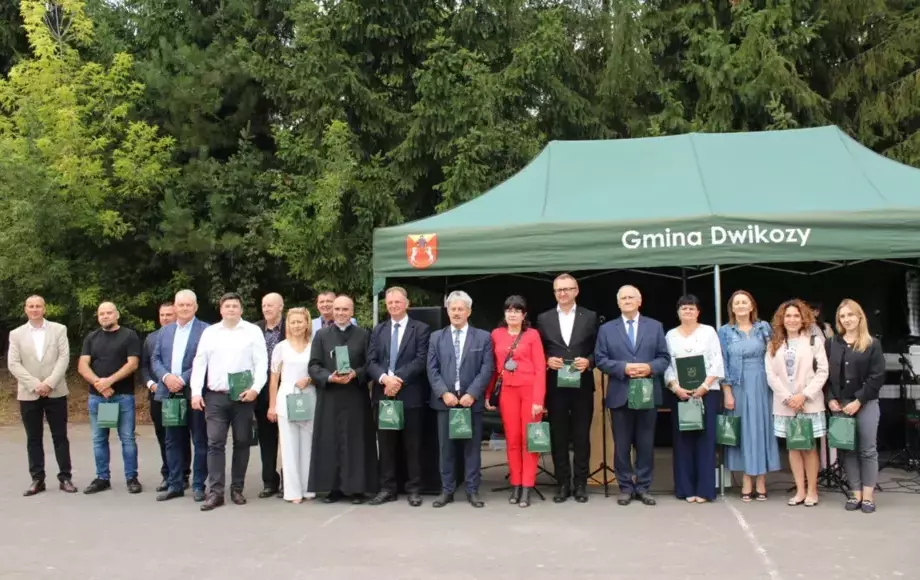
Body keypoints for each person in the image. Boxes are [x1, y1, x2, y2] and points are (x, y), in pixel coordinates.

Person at [190, 292, 268, 511]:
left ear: (241, 310)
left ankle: (237, 488)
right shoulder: (210, 332)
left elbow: (262, 363)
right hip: (215, 396)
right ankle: (215, 492)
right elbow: (200, 362)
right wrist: (196, 392)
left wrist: (255, 389)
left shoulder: (253, 332)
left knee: (242, 441)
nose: (231, 309)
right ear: (221, 309)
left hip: (243, 396)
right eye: (227, 306)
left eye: (235, 306)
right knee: (215, 441)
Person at [594, 285, 670, 507]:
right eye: (623, 298)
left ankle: (644, 487)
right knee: (622, 445)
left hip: (647, 394)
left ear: (639, 301)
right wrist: (624, 368)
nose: (627, 300)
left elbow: (664, 358)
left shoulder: (655, 327)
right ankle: (626, 487)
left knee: (646, 444)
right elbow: (600, 359)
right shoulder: (607, 329)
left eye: (631, 297)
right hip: (620, 394)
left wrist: (648, 367)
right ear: (618, 303)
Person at [427, 290, 494, 508]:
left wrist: (472, 394)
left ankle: (472, 490)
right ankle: (447, 490)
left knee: (472, 449)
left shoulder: (483, 337)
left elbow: (487, 368)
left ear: (469, 311)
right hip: (444, 403)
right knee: (446, 449)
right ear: (447, 311)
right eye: (452, 309)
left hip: (469, 402)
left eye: (460, 309)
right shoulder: (436, 337)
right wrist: (443, 393)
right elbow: (432, 368)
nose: (456, 313)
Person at [308, 295, 378, 503]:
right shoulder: (321, 335)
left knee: (356, 442)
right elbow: (313, 365)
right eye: (337, 309)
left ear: (352, 311)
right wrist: (329, 377)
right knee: (330, 441)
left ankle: (356, 489)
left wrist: (356, 374)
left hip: (355, 396)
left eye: (345, 309)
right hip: (330, 396)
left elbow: (370, 363)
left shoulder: (363, 335)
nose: (340, 313)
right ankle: (331, 489)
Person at [366, 287, 431, 507]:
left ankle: (414, 489)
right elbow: (371, 361)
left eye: (397, 302)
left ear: (407, 303)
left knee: (412, 446)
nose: (393, 306)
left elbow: (421, 360)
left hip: (410, 395)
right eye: (390, 302)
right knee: (386, 446)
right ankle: (388, 488)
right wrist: (385, 379)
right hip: (383, 395)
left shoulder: (421, 329)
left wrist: (397, 379)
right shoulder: (378, 330)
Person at [536, 273, 598, 503]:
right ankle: (563, 483)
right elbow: (537, 349)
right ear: (554, 293)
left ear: (576, 290)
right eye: (558, 290)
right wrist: (546, 360)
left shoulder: (590, 317)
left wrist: (590, 362)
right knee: (558, 435)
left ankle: (580, 484)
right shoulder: (544, 318)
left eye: (567, 289)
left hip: (582, 383)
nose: (563, 293)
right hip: (555, 385)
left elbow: (599, 350)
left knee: (582, 436)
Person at [8, 295, 77, 496]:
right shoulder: (16, 334)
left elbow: (64, 358)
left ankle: (65, 477)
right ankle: (38, 479)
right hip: (29, 393)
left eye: (38, 306)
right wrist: (35, 384)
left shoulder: (59, 329)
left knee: (60, 436)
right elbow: (13, 363)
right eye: (31, 306)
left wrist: (49, 383)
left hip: (55, 391)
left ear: (44, 309)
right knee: (33, 438)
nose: (35, 309)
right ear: (26, 309)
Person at [764, 299, 829, 507]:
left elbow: (823, 372)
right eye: (788, 316)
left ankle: (812, 490)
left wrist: (804, 395)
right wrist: (788, 398)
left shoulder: (814, 341)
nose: (791, 319)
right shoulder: (774, 343)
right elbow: (771, 375)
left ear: (803, 319)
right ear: (782, 319)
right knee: (793, 448)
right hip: (785, 404)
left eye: (796, 316)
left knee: (809, 447)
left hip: (809, 402)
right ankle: (800, 490)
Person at [717, 290, 780, 502]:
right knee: (742, 431)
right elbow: (722, 362)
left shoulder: (764, 328)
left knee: (760, 430)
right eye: (737, 303)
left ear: (752, 306)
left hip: (762, 383)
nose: (741, 306)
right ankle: (746, 478)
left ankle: (761, 478)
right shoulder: (725, 331)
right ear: (732, 308)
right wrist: (727, 391)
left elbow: (774, 356)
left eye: (745, 302)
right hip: (737, 385)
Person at [486, 295, 546, 508]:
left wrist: (539, 399)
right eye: (509, 310)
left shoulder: (532, 335)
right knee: (512, 440)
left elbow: (540, 368)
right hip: (507, 392)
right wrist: (488, 394)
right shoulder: (496, 334)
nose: (512, 313)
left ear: (524, 314)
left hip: (529, 391)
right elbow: (493, 368)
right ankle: (516, 484)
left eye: (517, 310)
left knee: (528, 441)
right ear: (504, 313)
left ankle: (528, 486)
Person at [663, 295, 725, 504]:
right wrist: (675, 387)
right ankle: (685, 489)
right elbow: (667, 364)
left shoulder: (708, 332)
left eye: (691, 308)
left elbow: (717, 360)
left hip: (707, 392)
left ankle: (705, 490)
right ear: (678, 312)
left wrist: (704, 386)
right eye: (683, 308)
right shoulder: (670, 335)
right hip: (680, 394)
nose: (687, 312)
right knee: (683, 442)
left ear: (698, 312)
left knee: (705, 442)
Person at [826, 299, 885, 514]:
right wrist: (831, 398)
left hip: (866, 403)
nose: (847, 319)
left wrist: (858, 400)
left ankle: (868, 496)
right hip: (841, 405)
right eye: (842, 316)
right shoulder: (832, 343)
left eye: (850, 315)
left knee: (868, 450)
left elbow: (877, 377)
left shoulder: (872, 344)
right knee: (847, 449)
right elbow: (827, 376)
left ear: (860, 316)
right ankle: (855, 493)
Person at [77, 301, 142, 494]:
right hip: (98, 398)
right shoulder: (91, 338)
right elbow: (82, 366)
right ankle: (102, 478)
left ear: (117, 314)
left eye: (109, 313)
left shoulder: (129, 335)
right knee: (99, 439)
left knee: (128, 438)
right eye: (101, 313)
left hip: (123, 396)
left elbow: (133, 364)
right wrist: (100, 384)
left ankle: (132, 477)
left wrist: (110, 381)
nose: (105, 316)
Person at [151, 289, 209, 502]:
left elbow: (204, 361)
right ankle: (175, 484)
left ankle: (199, 485)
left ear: (195, 307)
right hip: (169, 393)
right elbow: (155, 359)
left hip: (194, 392)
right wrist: (166, 377)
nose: (184, 308)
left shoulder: (206, 331)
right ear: (175, 307)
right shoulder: (165, 331)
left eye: (188, 305)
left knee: (199, 439)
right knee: (172, 440)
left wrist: (182, 379)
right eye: (180, 305)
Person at [267, 307, 316, 504]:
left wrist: (310, 380)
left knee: (307, 444)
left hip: (308, 396)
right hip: (287, 397)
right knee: (288, 445)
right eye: (292, 322)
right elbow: (273, 380)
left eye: (300, 322)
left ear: (307, 324)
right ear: (288, 324)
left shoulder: (314, 346)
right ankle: (293, 490)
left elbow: (318, 371)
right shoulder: (281, 348)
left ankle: (308, 488)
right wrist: (272, 406)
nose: (296, 326)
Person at [141, 302, 184, 493]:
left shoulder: (184, 336)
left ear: (176, 315)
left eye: (169, 314)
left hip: (180, 393)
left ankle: (184, 473)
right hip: (158, 396)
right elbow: (143, 367)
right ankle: (168, 474)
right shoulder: (151, 339)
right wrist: (151, 384)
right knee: (163, 436)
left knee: (181, 436)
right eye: (162, 315)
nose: (165, 318)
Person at [255, 292, 285, 498]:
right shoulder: (254, 329)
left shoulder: (291, 327)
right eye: (264, 305)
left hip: (287, 388)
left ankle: (290, 480)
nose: (266, 309)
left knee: (289, 438)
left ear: (281, 307)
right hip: (261, 389)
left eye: (271, 305)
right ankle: (269, 480)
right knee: (266, 438)